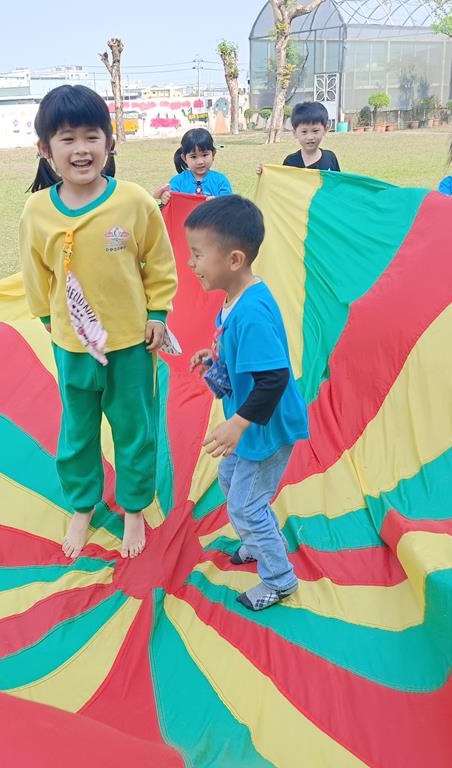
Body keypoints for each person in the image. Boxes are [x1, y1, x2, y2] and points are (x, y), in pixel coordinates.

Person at [20, 84, 179, 560]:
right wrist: (51, 322)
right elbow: (35, 274)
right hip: (73, 348)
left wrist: (157, 313)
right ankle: (83, 504)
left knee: (134, 429)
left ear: (110, 143)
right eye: (67, 138)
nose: (81, 149)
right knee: (78, 431)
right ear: (45, 149)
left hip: (131, 345)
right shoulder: (37, 210)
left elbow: (159, 262)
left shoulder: (134, 201)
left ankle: (133, 507)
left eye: (92, 136)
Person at [185, 195, 309, 611]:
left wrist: (237, 423)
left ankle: (280, 579)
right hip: (252, 426)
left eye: (198, 255)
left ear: (234, 259)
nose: (192, 264)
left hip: (265, 428)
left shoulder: (251, 312)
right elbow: (241, 355)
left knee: (245, 504)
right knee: (229, 479)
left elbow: (273, 379)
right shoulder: (235, 300)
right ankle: (259, 542)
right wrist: (214, 360)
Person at [256, 101, 340, 176]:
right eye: (304, 132)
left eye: (315, 131)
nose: (310, 137)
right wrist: (264, 173)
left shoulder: (330, 158)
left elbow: (339, 183)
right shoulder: (290, 162)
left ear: (325, 130)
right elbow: (282, 184)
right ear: (295, 133)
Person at [153, 127, 232, 204]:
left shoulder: (220, 181)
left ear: (213, 154)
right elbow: (170, 200)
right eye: (193, 157)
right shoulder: (178, 182)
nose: (200, 162)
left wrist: (217, 202)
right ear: (184, 158)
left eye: (205, 155)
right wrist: (165, 196)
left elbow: (229, 203)